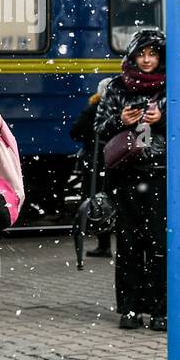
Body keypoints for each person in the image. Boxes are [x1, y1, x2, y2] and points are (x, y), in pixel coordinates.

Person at [95, 29, 166, 331]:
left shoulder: (174, 87)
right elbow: (99, 130)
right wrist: (119, 121)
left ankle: (161, 309)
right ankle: (131, 308)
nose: (147, 60)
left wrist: (163, 119)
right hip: (126, 175)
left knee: (161, 244)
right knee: (128, 244)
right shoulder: (116, 87)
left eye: (153, 54)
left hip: (162, 175)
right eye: (142, 54)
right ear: (132, 56)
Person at [71, 77, 115, 259]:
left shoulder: (94, 109)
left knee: (97, 200)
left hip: (96, 160)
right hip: (114, 160)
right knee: (112, 200)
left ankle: (103, 244)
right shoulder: (118, 109)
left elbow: (75, 132)